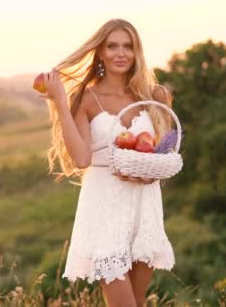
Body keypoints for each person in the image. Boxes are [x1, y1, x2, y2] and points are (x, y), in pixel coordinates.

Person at [38, 18, 176, 307]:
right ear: (100, 52)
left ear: (137, 51)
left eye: (128, 46)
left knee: (138, 300)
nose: (120, 53)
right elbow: (81, 158)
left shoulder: (155, 97)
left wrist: (149, 175)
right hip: (104, 206)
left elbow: (164, 154)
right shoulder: (87, 98)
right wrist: (61, 103)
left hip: (143, 204)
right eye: (112, 46)